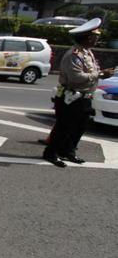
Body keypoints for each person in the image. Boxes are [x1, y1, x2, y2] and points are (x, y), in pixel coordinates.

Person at [43, 18, 114, 167]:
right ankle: (51, 153)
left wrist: (100, 73)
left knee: (79, 127)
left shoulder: (87, 53)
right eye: (95, 37)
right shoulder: (73, 55)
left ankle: (68, 151)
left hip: (85, 97)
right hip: (71, 97)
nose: (97, 39)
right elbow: (76, 78)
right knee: (64, 126)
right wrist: (100, 74)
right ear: (88, 38)